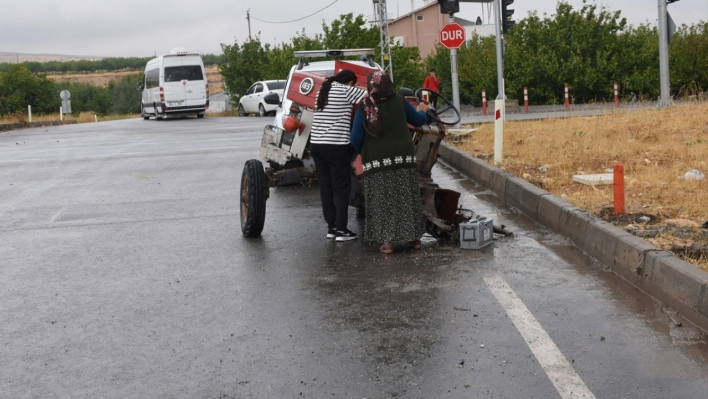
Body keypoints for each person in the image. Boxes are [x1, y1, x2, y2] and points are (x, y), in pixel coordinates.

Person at [351, 71, 429, 254]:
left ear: (371, 86)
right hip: (403, 157)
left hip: (376, 161)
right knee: (407, 196)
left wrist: (366, 150)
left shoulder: (365, 105)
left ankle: (388, 244)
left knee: (382, 199)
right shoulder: (400, 100)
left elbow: (355, 137)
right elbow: (418, 121)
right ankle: (414, 239)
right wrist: (423, 110)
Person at [311, 70, 367, 242]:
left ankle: (332, 228)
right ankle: (342, 230)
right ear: (350, 82)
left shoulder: (323, 89)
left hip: (316, 145)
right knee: (341, 188)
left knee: (326, 187)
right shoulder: (345, 90)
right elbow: (368, 94)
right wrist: (359, 87)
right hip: (335, 146)